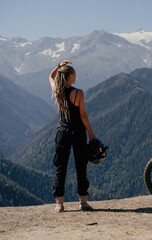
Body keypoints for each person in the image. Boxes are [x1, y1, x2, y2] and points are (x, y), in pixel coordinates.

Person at [49, 60, 96, 212]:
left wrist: (59, 66)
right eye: (74, 74)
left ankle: (59, 204)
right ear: (69, 77)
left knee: (60, 167)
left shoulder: (57, 91)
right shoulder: (79, 93)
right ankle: (83, 202)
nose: (76, 77)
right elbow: (83, 115)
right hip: (78, 133)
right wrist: (91, 133)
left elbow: (50, 76)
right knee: (81, 166)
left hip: (62, 133)